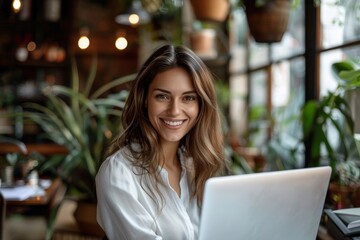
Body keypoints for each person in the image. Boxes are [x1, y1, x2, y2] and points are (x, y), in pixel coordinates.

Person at [96, 44, 228, 240]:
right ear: (144, 99)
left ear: (201, 105)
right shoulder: (118, 173)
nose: (174, 110)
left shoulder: (199, 167)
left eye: (188, 98)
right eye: (162, 96)